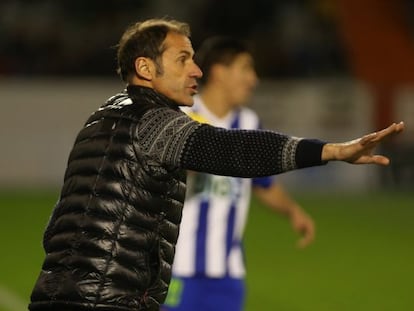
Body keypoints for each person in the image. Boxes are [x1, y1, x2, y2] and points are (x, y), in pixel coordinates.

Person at [28, 18, 404, 311]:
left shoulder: (99, 119)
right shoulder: (159, 122)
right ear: (145, 67)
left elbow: (61, 219)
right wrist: (332, 151)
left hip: (60, 290)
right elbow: (235, 151)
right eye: (183, 59)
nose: (196, 70)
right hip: (115, 296)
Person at [162, 36, 315, 311]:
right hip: (176, 267)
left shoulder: (248, 123)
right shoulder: (181, 115)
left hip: (228, 273)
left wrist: (292, 211)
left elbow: (263, 185)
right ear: (220, 72)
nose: (253, 79)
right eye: (245, 69)